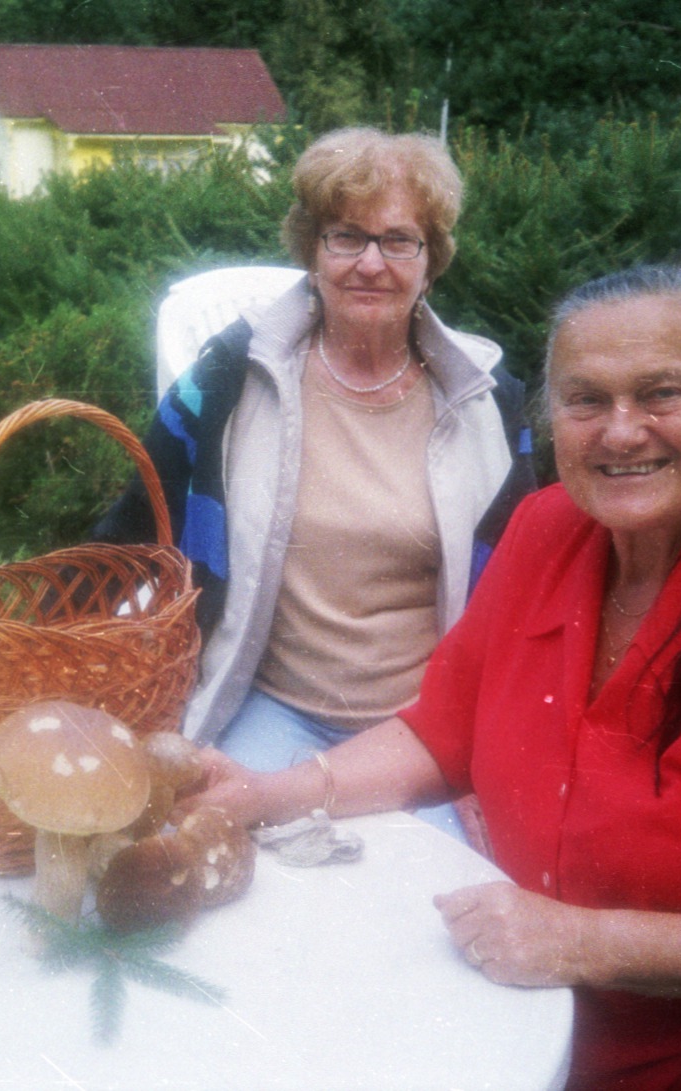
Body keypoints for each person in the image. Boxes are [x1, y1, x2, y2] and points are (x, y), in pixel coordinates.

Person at [179, 265, 681, 1089]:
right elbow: (443, 728)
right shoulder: (547, 531)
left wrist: (580, 941)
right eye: (585, 400)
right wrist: (261, 795)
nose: (621, 431)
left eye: (662, 392)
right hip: (566, 1022)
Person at [96, 127, 537, 831]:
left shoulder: (489, 403)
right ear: (311, 247)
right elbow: (125, 537)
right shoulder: (231, 378)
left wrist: (487, 759)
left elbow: (529, 595)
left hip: (422, 736)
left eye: (398, 241)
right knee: (227, 865)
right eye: (346, 237)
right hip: (269, 711)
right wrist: (48, 661)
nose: (371, 263)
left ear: (431, 260)